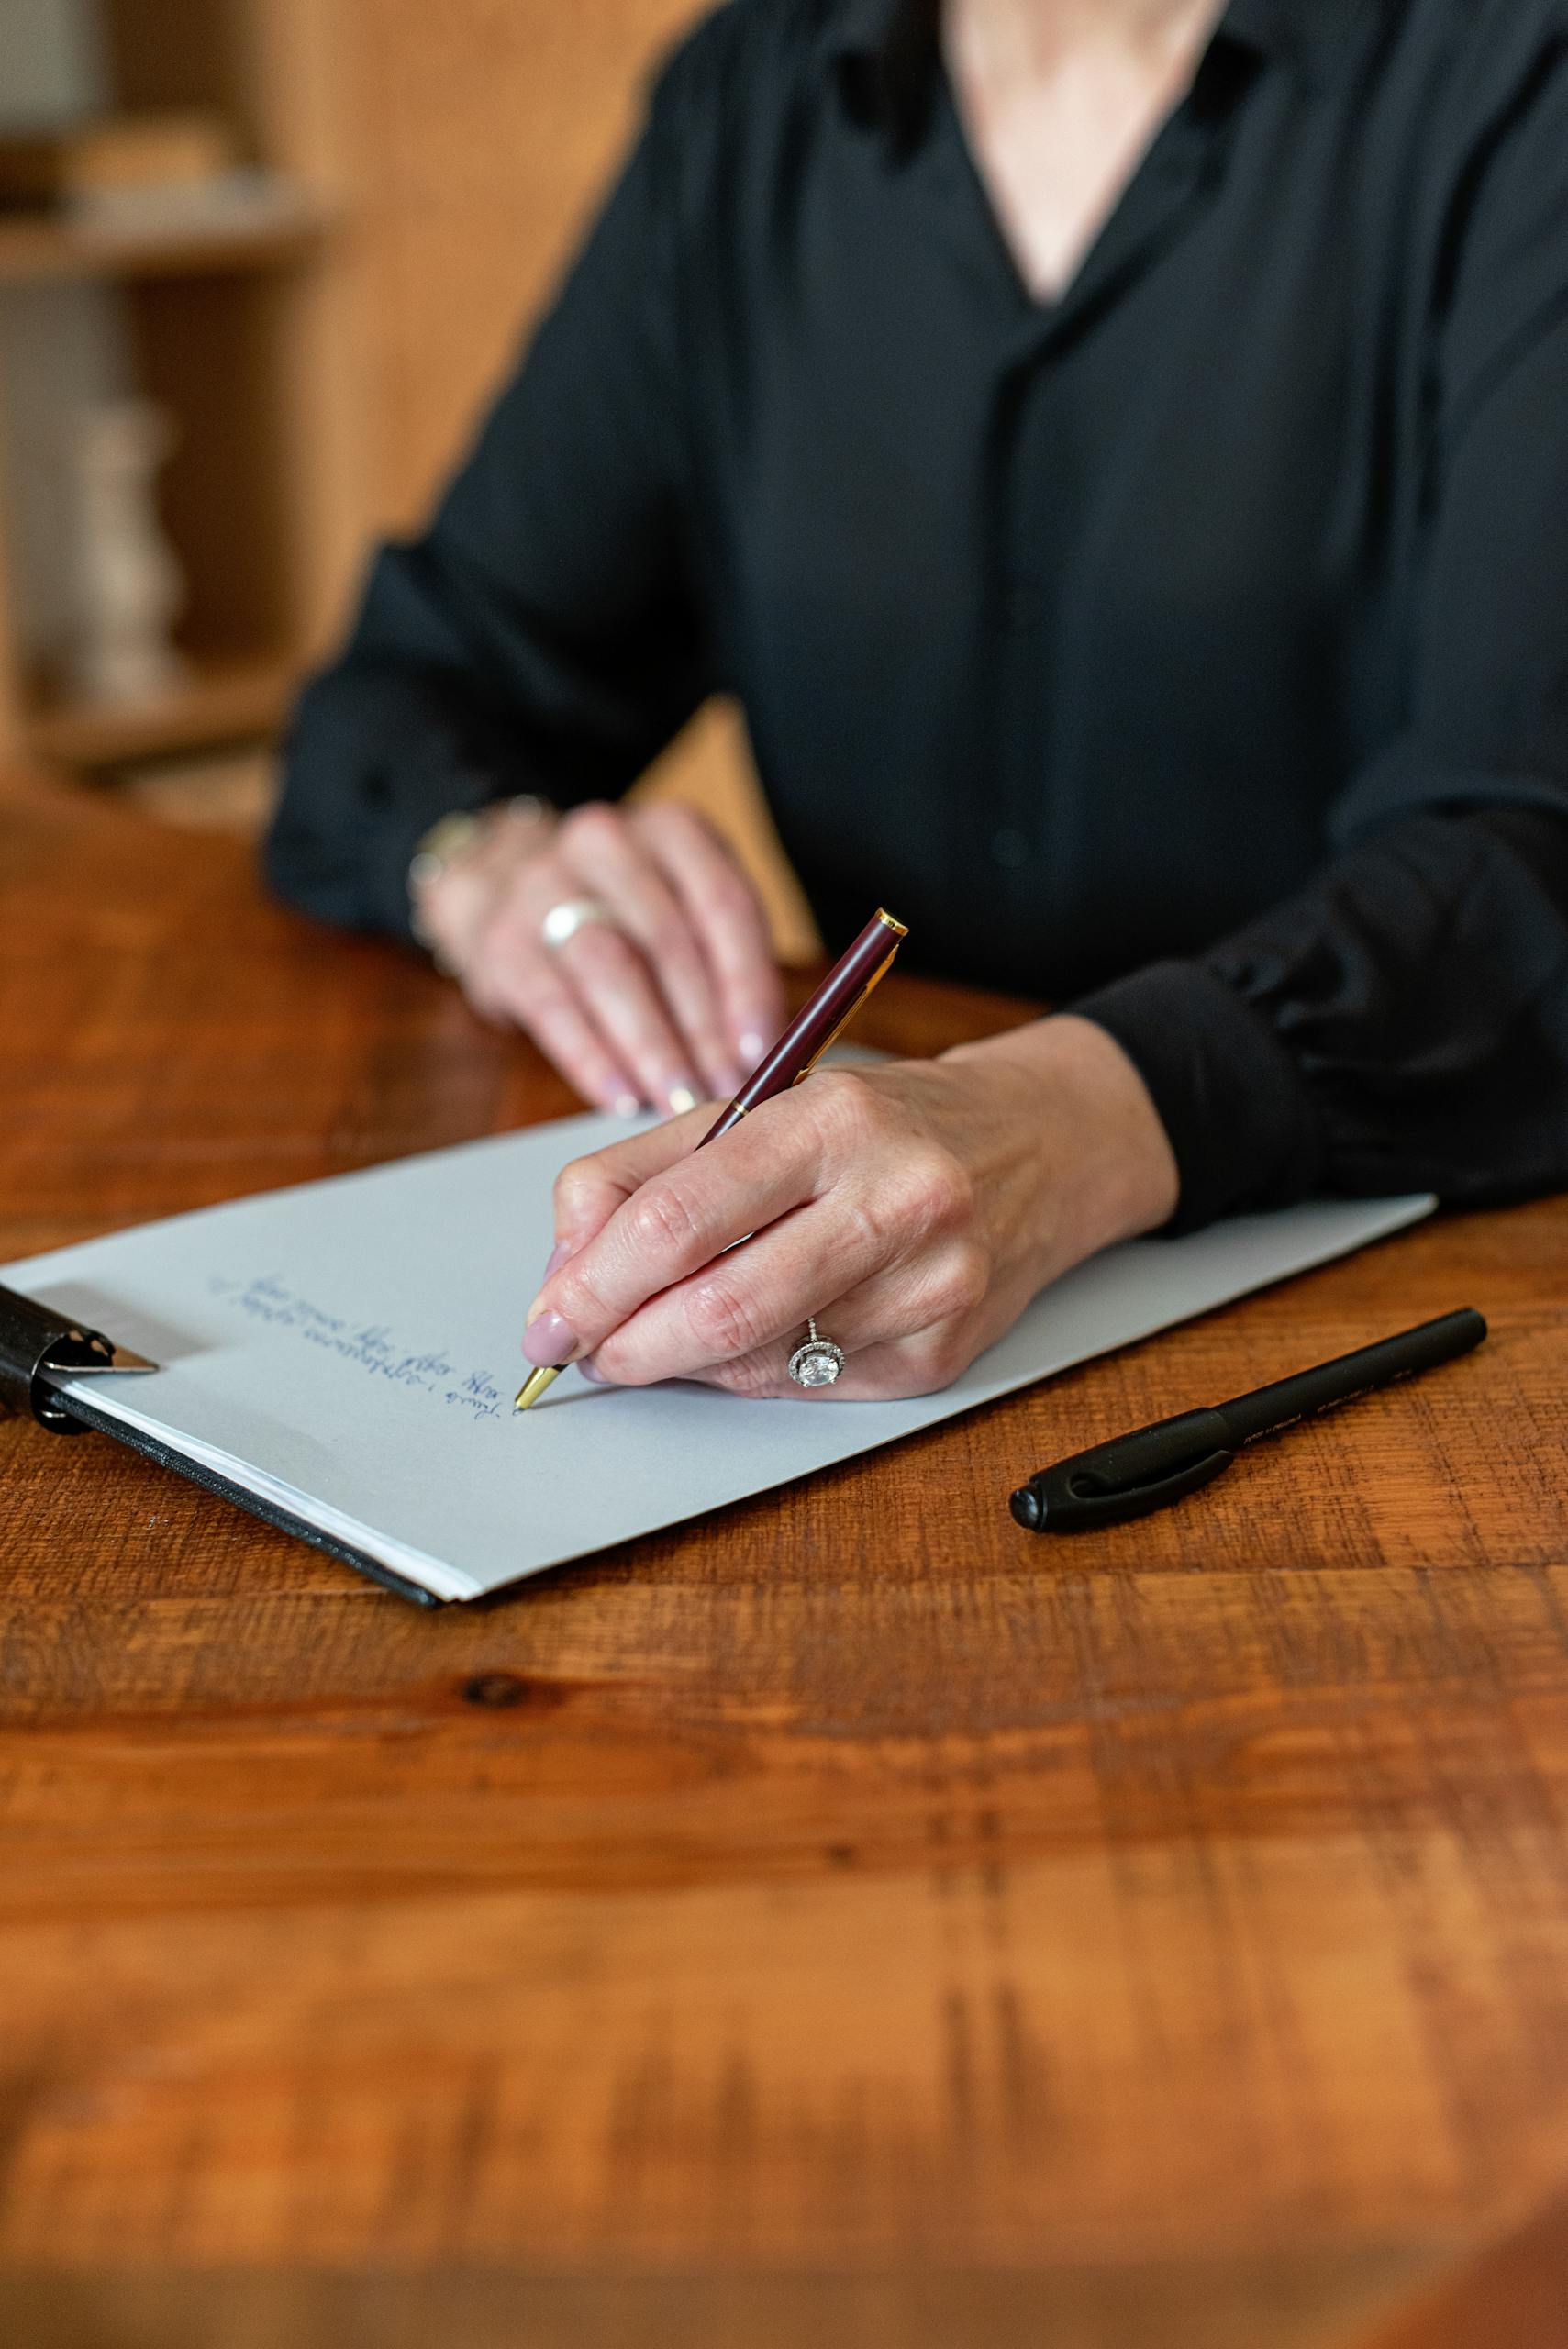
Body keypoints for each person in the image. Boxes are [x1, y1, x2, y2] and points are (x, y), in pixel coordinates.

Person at [268, 0, 1568, 1401]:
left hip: (1421, 1303)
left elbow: (1531, 852)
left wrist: (1066, 1121)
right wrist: (485, 858)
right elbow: (406, 693)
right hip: (858, 1300)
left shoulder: (1515, 76)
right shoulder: (748, 105)